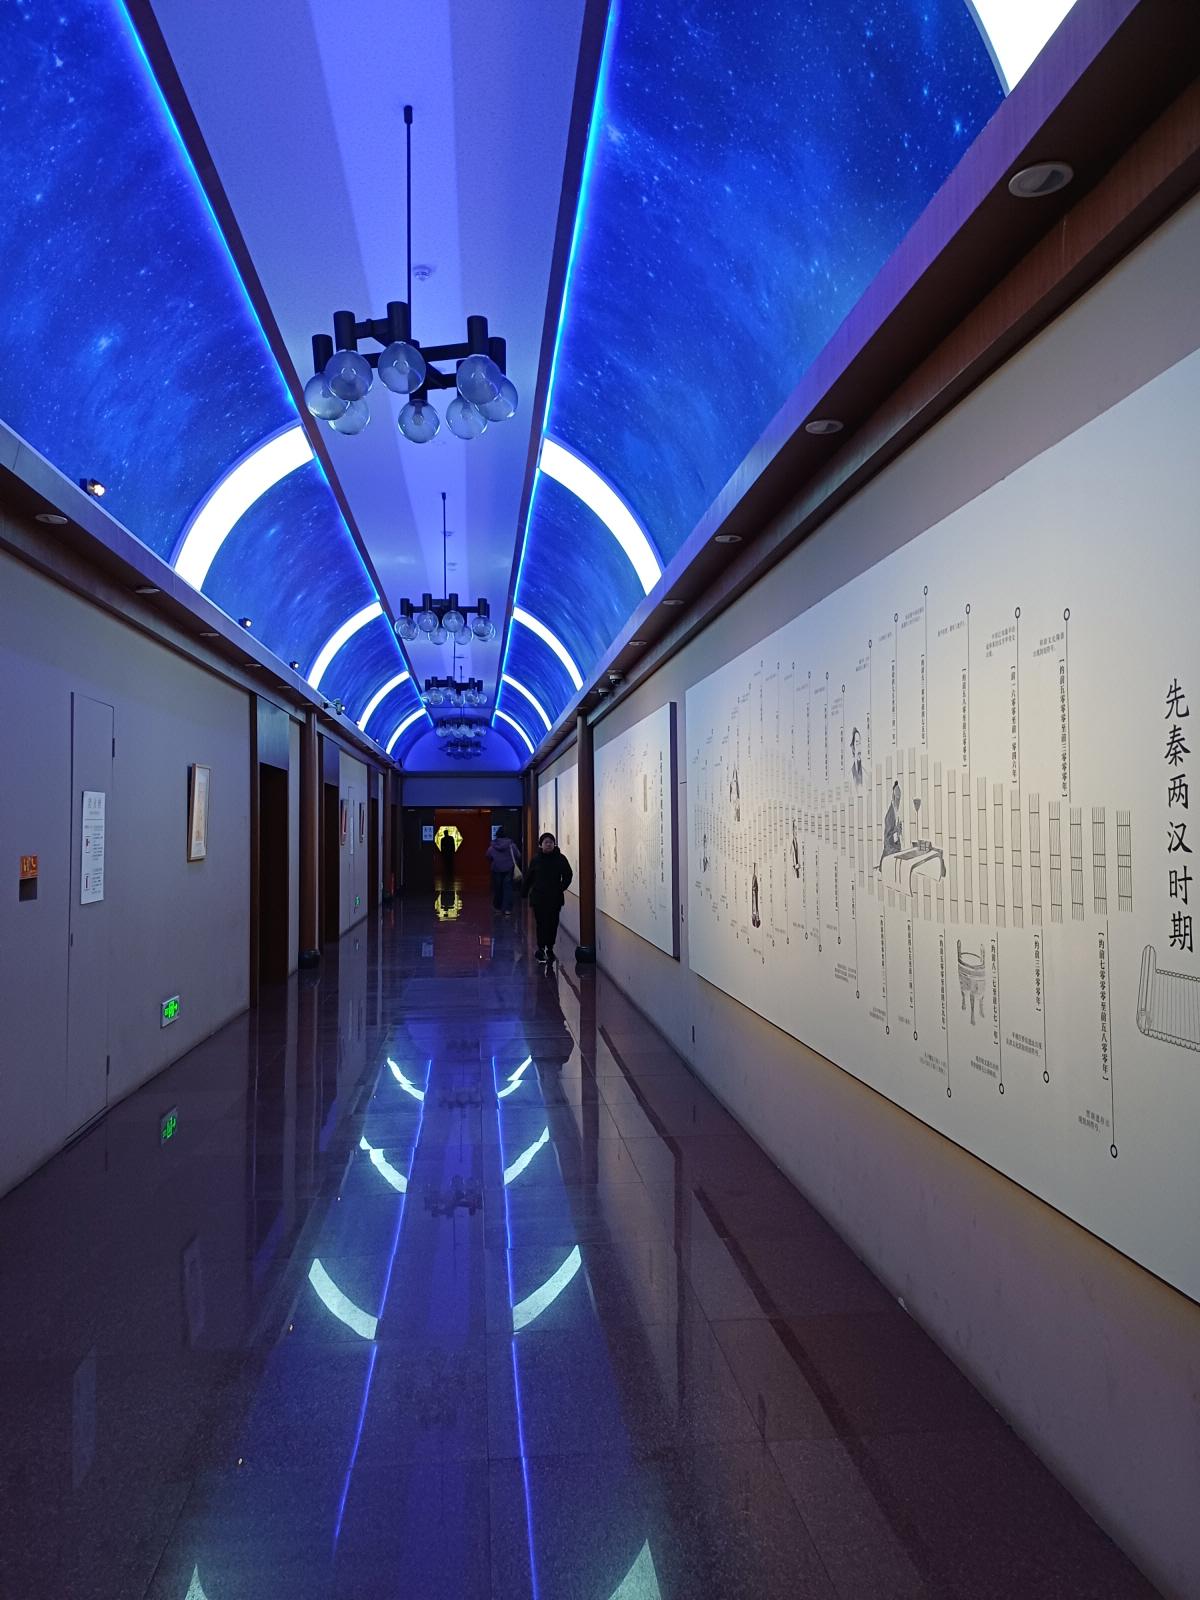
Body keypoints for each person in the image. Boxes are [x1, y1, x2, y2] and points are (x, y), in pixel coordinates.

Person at [522, 831, 573, 964]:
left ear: (554, 844)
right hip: (539, 897)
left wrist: (561, 887)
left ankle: (550, 947)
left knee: (552, 923)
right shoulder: (536, 859)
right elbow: (529, 876)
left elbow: (568, 874)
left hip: (555, 897)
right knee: (541, 923)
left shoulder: (560, 859)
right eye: (546, 842)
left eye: (551, 842)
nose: (548, 844)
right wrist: (524, 891)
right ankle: (541, 948)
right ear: (541, 845)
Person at [487, 827, 521, 914]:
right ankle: (507, 909)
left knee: (498, 888)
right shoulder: (511, 845)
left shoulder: (493, 846)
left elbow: (488, 855)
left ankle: (497, 907)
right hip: (509, 869)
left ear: (497, 835)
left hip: (496, 869)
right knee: (508, 888)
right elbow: (518, 855)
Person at [880, 779, 903, 865]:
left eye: (899, 797)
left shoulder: (896, 812)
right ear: (893, 796)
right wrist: (897, 830)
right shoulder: (890, 815)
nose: (898, 799)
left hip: (895, 850)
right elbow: (888, 838)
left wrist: (898, 831)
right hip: (889, 854)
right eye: (897, 797)